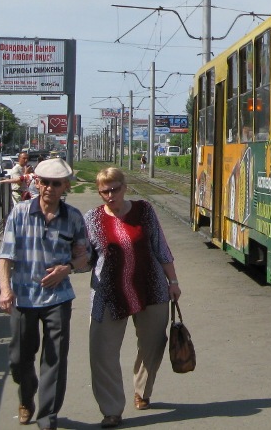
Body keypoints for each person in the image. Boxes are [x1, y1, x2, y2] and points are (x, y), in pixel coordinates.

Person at [0, 158, 90, 430]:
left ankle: (47, 416)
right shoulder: (21, 213)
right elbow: (5, 256)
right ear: (36, 182)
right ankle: (27, 396)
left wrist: (67, 268)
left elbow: (83, 257)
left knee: (55, 359)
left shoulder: (73, 217)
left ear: (65, 186)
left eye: (55, 183)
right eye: (44, 182)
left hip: (58, 299)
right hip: (23, 298)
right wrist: (5, 290)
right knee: (19, 358)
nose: (49, 188)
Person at [85, 167, 181, 429]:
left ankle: (142, 390)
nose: (110, 195)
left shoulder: (144, 211)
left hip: (151, 287)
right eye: (104, 191)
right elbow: (85, 260)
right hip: (108, 293)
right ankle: (111, 410)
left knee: (153, 343)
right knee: (102, 352)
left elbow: (160, 247)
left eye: (114, 189)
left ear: (125, 187)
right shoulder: (91, 219)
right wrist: (73, 260)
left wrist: (172, 281)